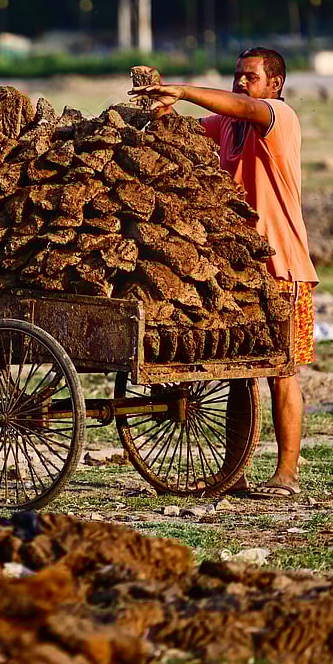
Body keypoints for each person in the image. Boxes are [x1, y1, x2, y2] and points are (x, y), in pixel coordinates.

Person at [130, 48, 318, 498]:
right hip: (238, 269)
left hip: (282, 266)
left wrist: (185, 90)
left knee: (283, 371)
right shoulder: (226, 126)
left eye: (250, 77)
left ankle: (286, 474)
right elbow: (187, 132)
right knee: (238, 369)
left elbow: (243, 107)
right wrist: (161, 108)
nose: (241, 84)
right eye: (236, 76)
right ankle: (233, 473)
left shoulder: (278, 117)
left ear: (274, 84)